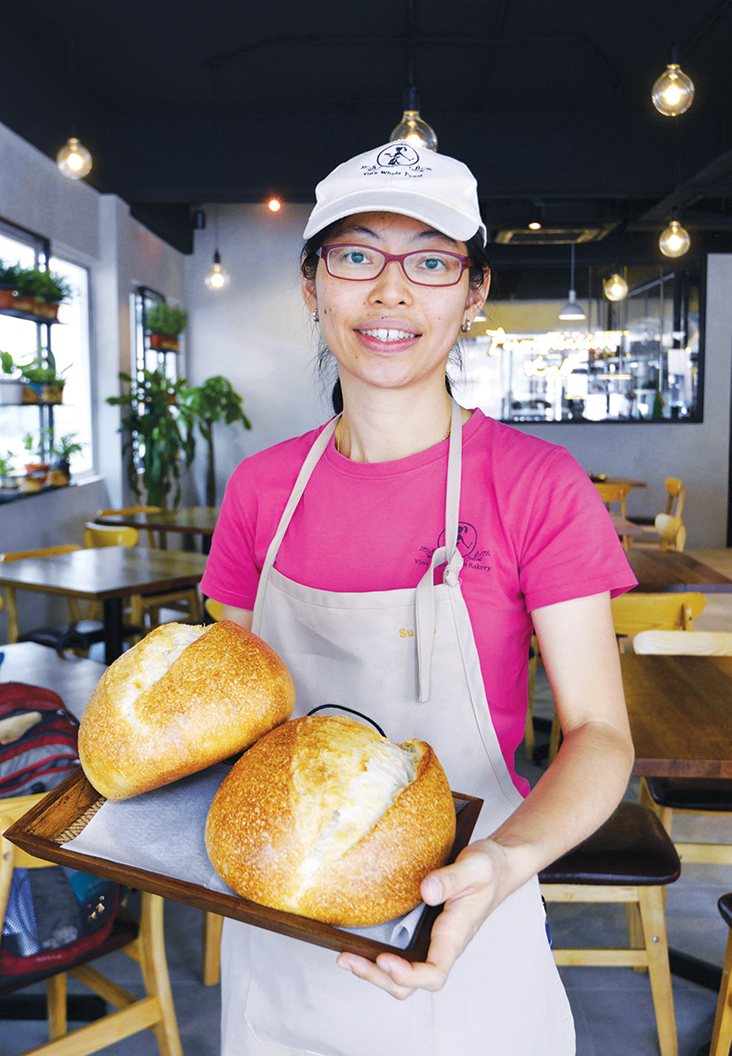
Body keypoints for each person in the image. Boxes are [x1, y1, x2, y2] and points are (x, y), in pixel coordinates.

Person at [200, 139, 636, 1056]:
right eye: (357, 256)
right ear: (314, 285)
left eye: (431, 263)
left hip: (468, 921)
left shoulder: (537, 486)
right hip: (276, 944)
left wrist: (505, 859)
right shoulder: (258, 491)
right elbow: (230, 724)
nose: (390, 294)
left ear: (473, 294)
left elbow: (601, 733)